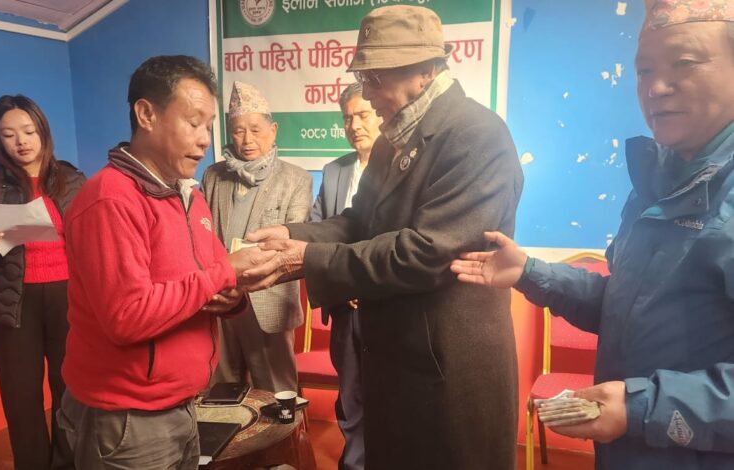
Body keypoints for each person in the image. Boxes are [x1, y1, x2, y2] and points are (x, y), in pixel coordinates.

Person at [451, 2, 734, 468]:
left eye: (684, 62)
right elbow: (627, 309)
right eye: (644, 70)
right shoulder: (655, 182)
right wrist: (529, 272)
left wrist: (642, 408)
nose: (655, 88)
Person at [243, 6, 524, 469]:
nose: (368, 93)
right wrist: (291, 235)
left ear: (426, 70)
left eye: (375, 78)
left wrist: (308, 258)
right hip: (395, 361)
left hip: (447, 372)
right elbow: (360, 221)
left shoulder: (477, 135)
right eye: (363, 77)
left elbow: (427, 253)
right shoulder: (393, 140)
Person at [57, 55, 271, 469]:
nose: (205, 139)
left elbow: (209, 279)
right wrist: (225, 273)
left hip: (184, 405)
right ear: (146, 115)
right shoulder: (110, 200)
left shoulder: (188, 195)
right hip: (127, 420)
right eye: (193, 122)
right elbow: (127, 316)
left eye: (209, 126)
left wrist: (232, 298)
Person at [0, 95, 85, 470]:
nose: (21, 141)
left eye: (28, 131)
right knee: (21, 401)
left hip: (68, 300)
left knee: (72, 396)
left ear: (43, 131)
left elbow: (94, 238)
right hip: (13, 304)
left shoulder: (72, 179)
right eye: (9, 134)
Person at [201, 81, 312, 394]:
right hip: (222, 295)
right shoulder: (214, 175)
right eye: (238, 131)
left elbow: (292, 241)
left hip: (268, 298)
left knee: (277, 392)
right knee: (221, 389)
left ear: (273, 130)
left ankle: (284, 430)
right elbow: (202, 232)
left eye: (255, 130)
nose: (247, 140)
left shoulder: (295, 179)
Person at [310, 82, 381, 470]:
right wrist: (341, 284)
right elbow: (318, 233)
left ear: (381, 115)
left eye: (363, 115)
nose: (355, 125)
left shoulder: (404, 167)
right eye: (347, 118)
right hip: (344, 308)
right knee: (350, 398)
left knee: (389, 400)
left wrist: (364, 282)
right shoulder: (334, 171)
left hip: (387, 309)